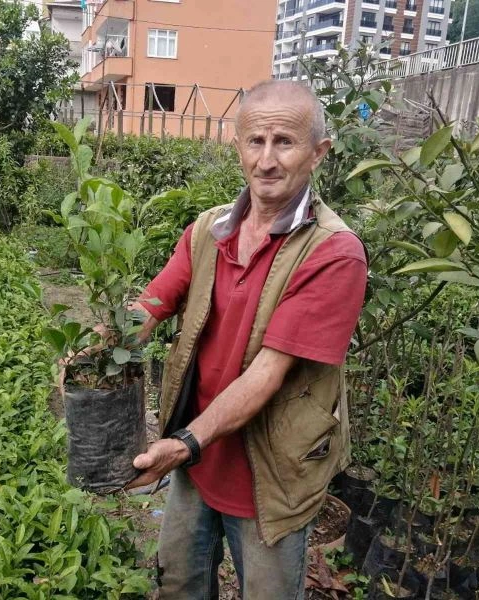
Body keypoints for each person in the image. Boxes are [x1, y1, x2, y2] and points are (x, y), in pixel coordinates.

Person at [127, 80, 368, 599]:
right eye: (255, 141)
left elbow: (266, 374)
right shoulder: (208, 230)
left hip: (270, 476)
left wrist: (184, 443)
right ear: (237, 146)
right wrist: (99, 344)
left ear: (318, 153)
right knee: (178, 584)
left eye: (285, 142)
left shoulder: (334, 253)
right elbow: (151, 306)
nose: (267, 160)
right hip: (196, 461)